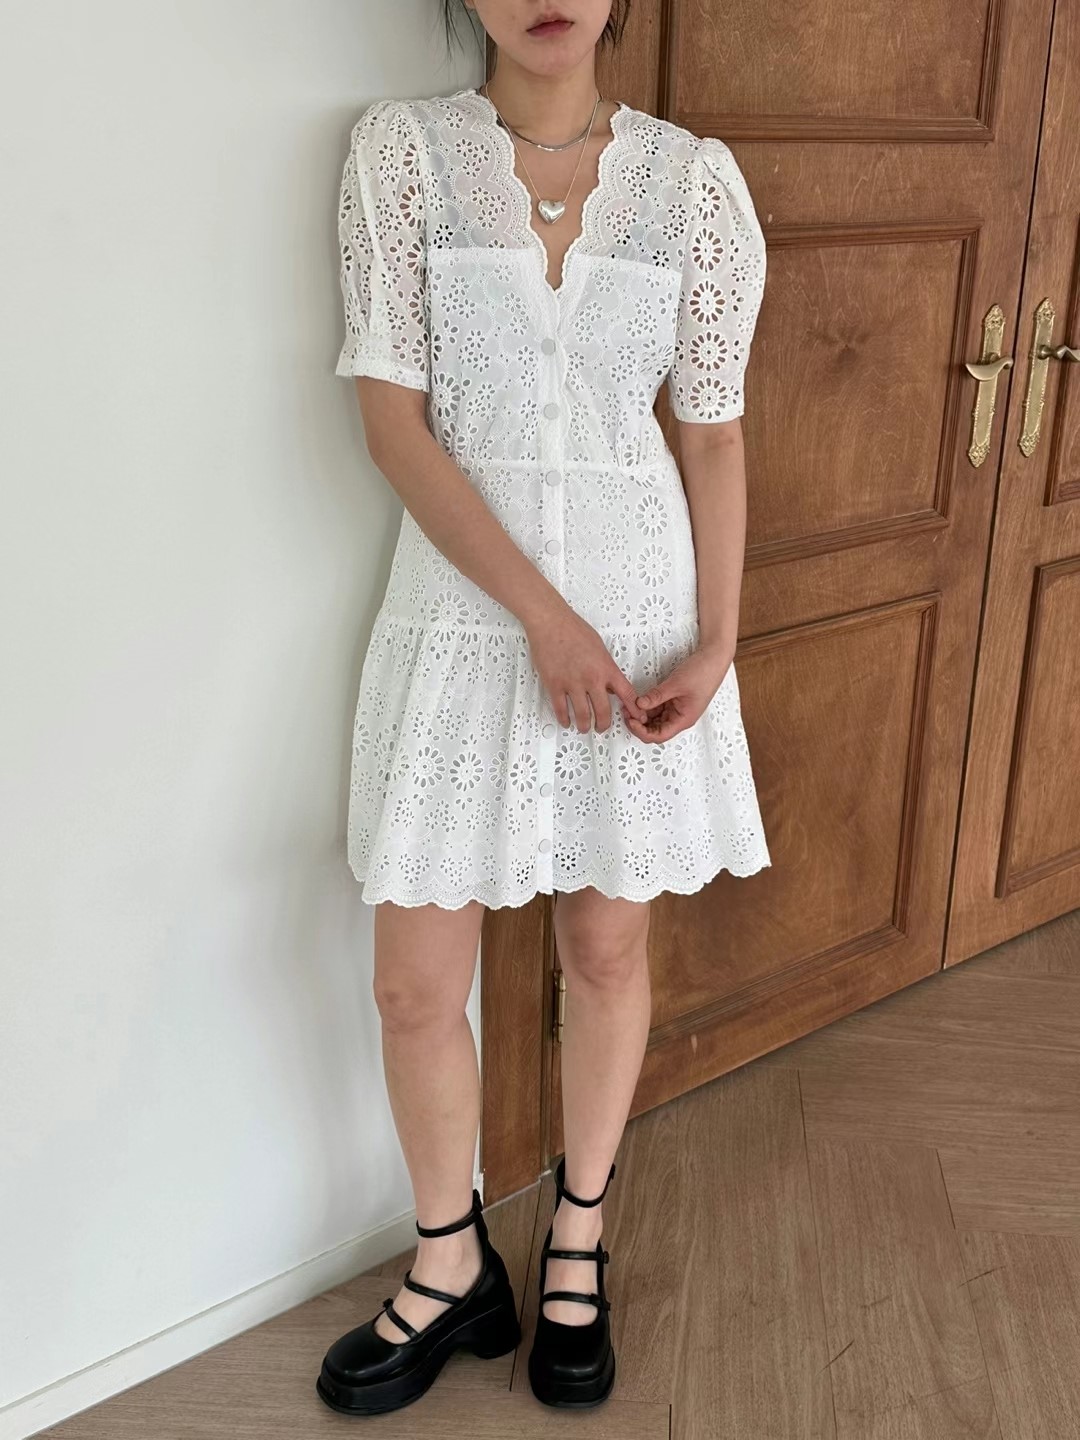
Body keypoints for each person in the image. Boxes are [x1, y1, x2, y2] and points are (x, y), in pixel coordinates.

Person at [315, 0, 770, 1417]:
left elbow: (711, 430)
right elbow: (393, 424)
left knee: (606, 945)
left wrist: (719, 640)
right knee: (413, 980)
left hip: (641, 628)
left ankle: (576, 1239)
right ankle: (452, 1261)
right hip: (464, 625)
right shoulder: (402, 156)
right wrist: (543, 619)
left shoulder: (694, 184)